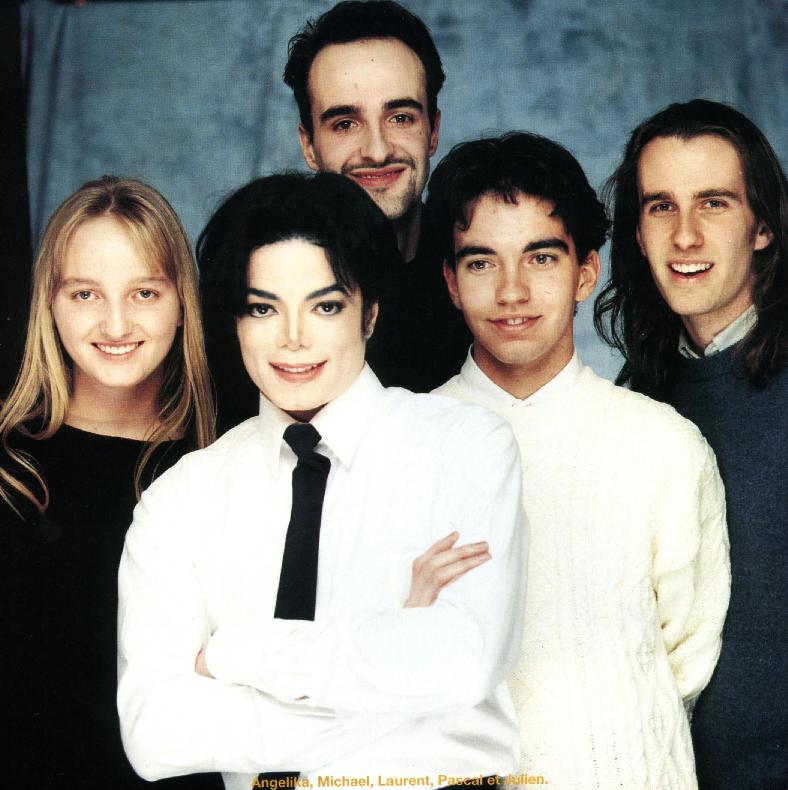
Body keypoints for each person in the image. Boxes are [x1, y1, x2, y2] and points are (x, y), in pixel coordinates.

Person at [117, 172, 526, 790]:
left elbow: (463, 662)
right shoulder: (181, 500)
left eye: (326, 306)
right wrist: (393, 655)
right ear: (236, 321)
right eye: (263, 308)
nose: (293, 338)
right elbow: (156, 734)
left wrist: (236, 653)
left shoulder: (465, 448)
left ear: (370, 314)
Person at [426, 132, 730, 788]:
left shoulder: (663, 445)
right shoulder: (399, 449)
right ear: (450, 282)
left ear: (586, 272)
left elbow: (687, 655)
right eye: (481, 263)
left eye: (540, 258)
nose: (512, 292)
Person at [0, 176, 220, 789]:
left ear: (182, 303)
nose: (116, 323)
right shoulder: (10, 470)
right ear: (49, 303)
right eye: (85, 294)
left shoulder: (222, 462)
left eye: (144, 292)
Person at [594, 99, 788, 790]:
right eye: (661, 207)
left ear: (763, 226)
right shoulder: (636, 401)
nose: (684, 235)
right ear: (637, 234)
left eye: (713, 203)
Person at [279, 0, 469, 393]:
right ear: (308, 145)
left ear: (433, 131)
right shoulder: (264, 283)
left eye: (400, 118)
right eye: (345, 124)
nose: (378, 151)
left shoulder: (480, 274)